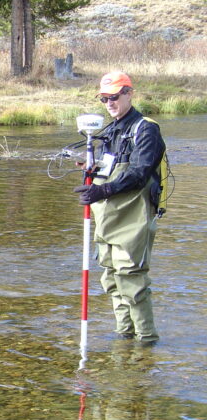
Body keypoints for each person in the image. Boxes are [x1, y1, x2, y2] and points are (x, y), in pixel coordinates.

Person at [73, 71, 166, 343]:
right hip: (108, 214)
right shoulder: (112, 129)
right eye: (104, 99)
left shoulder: (146, 128)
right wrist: (92, 167)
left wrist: (103, 189)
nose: (109, 103)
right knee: (111, 277)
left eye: (114, 97)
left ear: (129, 93)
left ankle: (146, 341)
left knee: (131, 277)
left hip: (133, 214)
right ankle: (125, 336)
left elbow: (140, 171)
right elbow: (112, 165)